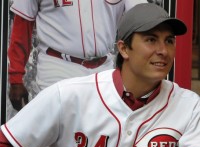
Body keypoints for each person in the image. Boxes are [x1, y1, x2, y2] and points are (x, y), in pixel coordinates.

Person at [1, 3, 200, 147]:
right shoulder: (68, 94)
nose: (163, 51)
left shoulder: (188, 105)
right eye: (151, 40)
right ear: (123, 49)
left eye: (169, 41)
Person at [8, 0, 148, 111]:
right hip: (57, 66)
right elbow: (22, 28)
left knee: (102, 134)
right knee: (57, 135)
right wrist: (15, 79)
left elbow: (144, 19)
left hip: (103, 68)